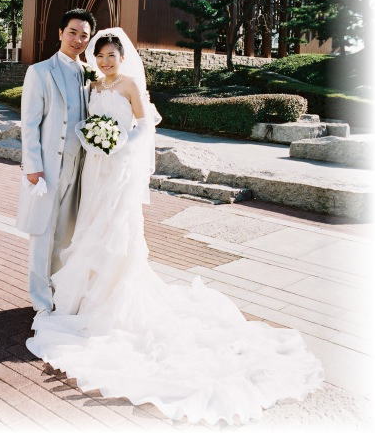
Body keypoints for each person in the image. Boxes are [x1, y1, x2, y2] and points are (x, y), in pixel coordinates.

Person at [25, 27, 324, 427]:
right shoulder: (93, 84)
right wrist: (97, 143)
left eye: (112, 55)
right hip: (94, 170)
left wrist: (120, 150)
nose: (106, 61)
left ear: (123, 57)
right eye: (101, 55)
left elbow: (144, 127)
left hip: (118, 170)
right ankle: (84, 295)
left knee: (115, 232)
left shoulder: (130, 85)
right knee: (89, 228)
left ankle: (110, 301)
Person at [16, 8, 96, 315]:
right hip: (48, 168)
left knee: (65, 234)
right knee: (42, 233)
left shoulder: (89, 74)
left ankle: (58, 292)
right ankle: (40, 299)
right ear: (60, 33)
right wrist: (33, 166)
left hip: (80, 167)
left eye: (84, 35)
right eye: (72, 32)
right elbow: (29, 123)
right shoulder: (40, 72)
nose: (78, 40)